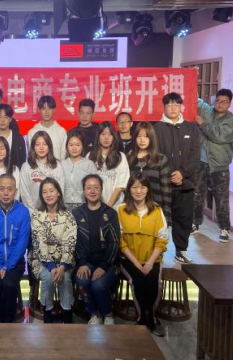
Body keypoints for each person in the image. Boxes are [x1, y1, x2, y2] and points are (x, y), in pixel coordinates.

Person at [118, 174, 169, 337]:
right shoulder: (121, 210)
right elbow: (120, 241)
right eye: (134, 187)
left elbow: (162, 239)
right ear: (129, 189)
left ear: (148, 189)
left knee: (154, 283)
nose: (138, 191)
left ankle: (152, 318)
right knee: (138, 280)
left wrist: (149, 263)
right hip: (129, 260)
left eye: (142, 187)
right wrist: (137, 264)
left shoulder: (157, 210)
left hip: (152, 259)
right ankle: (141, 319)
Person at [154, 93, 200, 265]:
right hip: (163, 184)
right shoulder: (156, 129)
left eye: (176, 104)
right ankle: (156, 252)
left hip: (185, 182)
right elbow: (155, 155)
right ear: (164, 107)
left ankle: (181, 250)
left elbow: (195, 155)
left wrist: (182, 173)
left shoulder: (191, 128)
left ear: (181, 106)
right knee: (159, 219)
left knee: (183, 218)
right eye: (169, 105)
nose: (173, 108)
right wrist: (170, 175)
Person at [0, 174, 30, 323]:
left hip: (15, 262)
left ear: (16, 191)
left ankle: (9, 321)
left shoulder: (23, 211)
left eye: (10, 189)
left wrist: (8, 266)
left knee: (9, 285)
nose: (6, 193)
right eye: (2, 189)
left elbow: (22, 243)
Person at [73, 175, 120, 325]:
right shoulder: (77, 213)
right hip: (86, 262)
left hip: (108, 263)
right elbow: (75, 241)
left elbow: (114, 242)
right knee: (82, 280)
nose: (92, 191)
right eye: (88, 188)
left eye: (96, 187)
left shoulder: (110, 213)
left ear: (101, 190)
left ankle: (108, 314)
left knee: (98, 285)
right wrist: (82, 263)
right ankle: (94, 313)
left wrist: (104, 266)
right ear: (84, 191)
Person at [193, 89, 233, 243]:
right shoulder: (208, 111)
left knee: (221, 199)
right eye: (218, 100)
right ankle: (195, 223)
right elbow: (196, 101)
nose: (220, 104)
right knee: (197, 195)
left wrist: (202, 123)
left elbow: (219, 136)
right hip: (200, 162)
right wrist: (192, 82)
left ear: (229, 103)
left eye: (224, 102)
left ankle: (224, 228)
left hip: (219, 166)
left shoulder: (232, 121)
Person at [30, 178, 77, 324]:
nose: (48, 194)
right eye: (44, 192)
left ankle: (67, 313)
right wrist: (51, 266)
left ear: (58, 193)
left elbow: (70, 242)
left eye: (51, 191)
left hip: (64, 261)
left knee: (65, 277)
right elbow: (39, 243)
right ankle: (47, 312)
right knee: (48, 277)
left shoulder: (68, 216)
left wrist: (62, 267)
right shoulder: (37, 215)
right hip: (41, 261)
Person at [129, 122, 172, 226]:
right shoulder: (129, 158)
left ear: (152, 138)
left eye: (146, 136)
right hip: (132, 209)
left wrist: (166, 215)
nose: (142, 140)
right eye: (139, 136)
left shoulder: (160, 159)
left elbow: (166, 189)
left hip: (154, 208)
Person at [88, 122, 130, 210]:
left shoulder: (121, 156)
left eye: (110, 134)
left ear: (114, 137)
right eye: (103, 134)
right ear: (98, 136)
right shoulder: (90, 156)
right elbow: (86, 184)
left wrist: (107, 207)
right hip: (93, 206)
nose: (106, 137)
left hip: (116, 206)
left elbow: (121, 186)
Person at [20, 131, 65, 213]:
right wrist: (33, 214)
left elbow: (60, 191)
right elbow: (24, 193)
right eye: (37, 144)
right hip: (33, 213)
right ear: (33, 147)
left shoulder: (58, 166)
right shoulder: (26, 167)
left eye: (44, 144)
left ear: (49, 146)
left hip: (54, 212)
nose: (41, 148)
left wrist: (53, 212)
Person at [62, 129, 98, 211]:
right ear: (66, 146)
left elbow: (96, 186)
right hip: (64, 205)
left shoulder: (89, 164)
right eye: (71, 145)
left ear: (82, 146)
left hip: (83, 205)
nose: (74, 148)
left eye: (78, 145)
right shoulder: (61, 165)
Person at [27, 96, 67, 161]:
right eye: (43, 108)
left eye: (50, 108)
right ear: (39, 110)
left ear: (54, 110)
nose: (46, 112)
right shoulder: (32, 132)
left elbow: (63, 155)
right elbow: (31, 155)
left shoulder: (61, 131)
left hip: (57, 167)